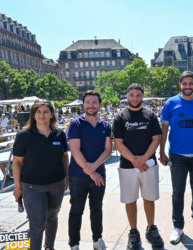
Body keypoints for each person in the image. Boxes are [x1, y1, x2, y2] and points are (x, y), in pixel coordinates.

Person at [113, 83, 164, 250]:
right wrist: (135, 160)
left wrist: (143, 159)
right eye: (132, 95)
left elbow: (156, 139)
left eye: (138, 95)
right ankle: (133, 232)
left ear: (142, 96)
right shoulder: (120, 117)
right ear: (127, 96)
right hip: (128, 166)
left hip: (149, 164)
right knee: (130, 200)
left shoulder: (150, 115)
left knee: (149, 198)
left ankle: (151, 228)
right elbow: (118, 143)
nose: (135, 98)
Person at [12, 101, 68, 250]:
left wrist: (66, 178)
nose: (42, 115)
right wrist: (17, 188)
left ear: (51, 114)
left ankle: (49, 247)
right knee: (37, 225)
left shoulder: (59, 134)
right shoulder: (24, 135)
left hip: (57, 185)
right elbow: (17, 162)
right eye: (38, 112)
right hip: (32, 187)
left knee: (52, 218)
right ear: (33, 115)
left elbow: (64, 156)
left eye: (45, 111)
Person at [159, 71, 193, 244]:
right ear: (180, 84)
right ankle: (178, 226)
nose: (187, 86)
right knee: (177, 192)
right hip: (177, 155)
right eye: (184, 83)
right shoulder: (170, 103)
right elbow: (163, 129)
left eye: (190, 83)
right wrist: (161, 152)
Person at [67, 90, 112, 250]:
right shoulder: (76, 124)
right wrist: (90, 170)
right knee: (76, 209)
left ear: (99, 105)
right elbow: (74, 149)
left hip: (99, 174)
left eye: (94, 102)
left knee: (97, 208)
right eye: (88, 102)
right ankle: (74, 243)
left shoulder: (105, 125)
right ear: (83, 104)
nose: (91, 105)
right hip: (78, 175)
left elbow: (108, 149)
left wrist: (94, 167)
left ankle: (97, 239)